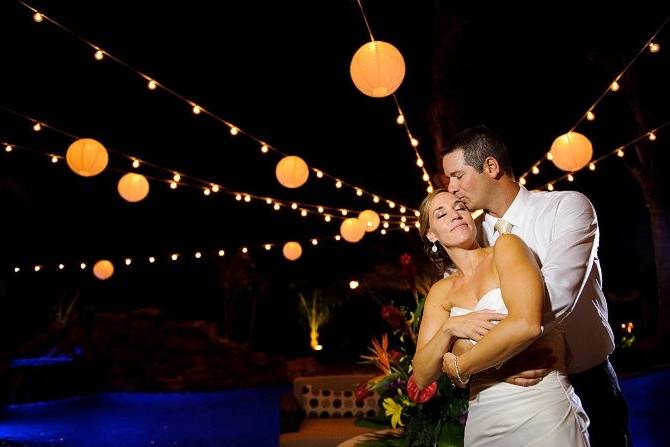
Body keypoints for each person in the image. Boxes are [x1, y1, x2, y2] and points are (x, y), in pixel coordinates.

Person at [440, 125, 630, 446]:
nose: (451, 187)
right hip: (516, 390)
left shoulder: (566, 208)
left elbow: (557, 296)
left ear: (491, 167)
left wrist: (476, 360)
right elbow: (465, 308)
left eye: (458, 175)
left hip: (589, 378)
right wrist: (487, 357)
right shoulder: (474, 236)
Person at [413, 188, 590, 446]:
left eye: (460, 207)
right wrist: (449, 329)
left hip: (540, 402)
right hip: (485, 416)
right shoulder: (441, 291)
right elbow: (421, 375)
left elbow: (527, 325)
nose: (455, 215)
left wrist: (459, 366)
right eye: (441, 214)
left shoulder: (506, 248)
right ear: (431, 234)